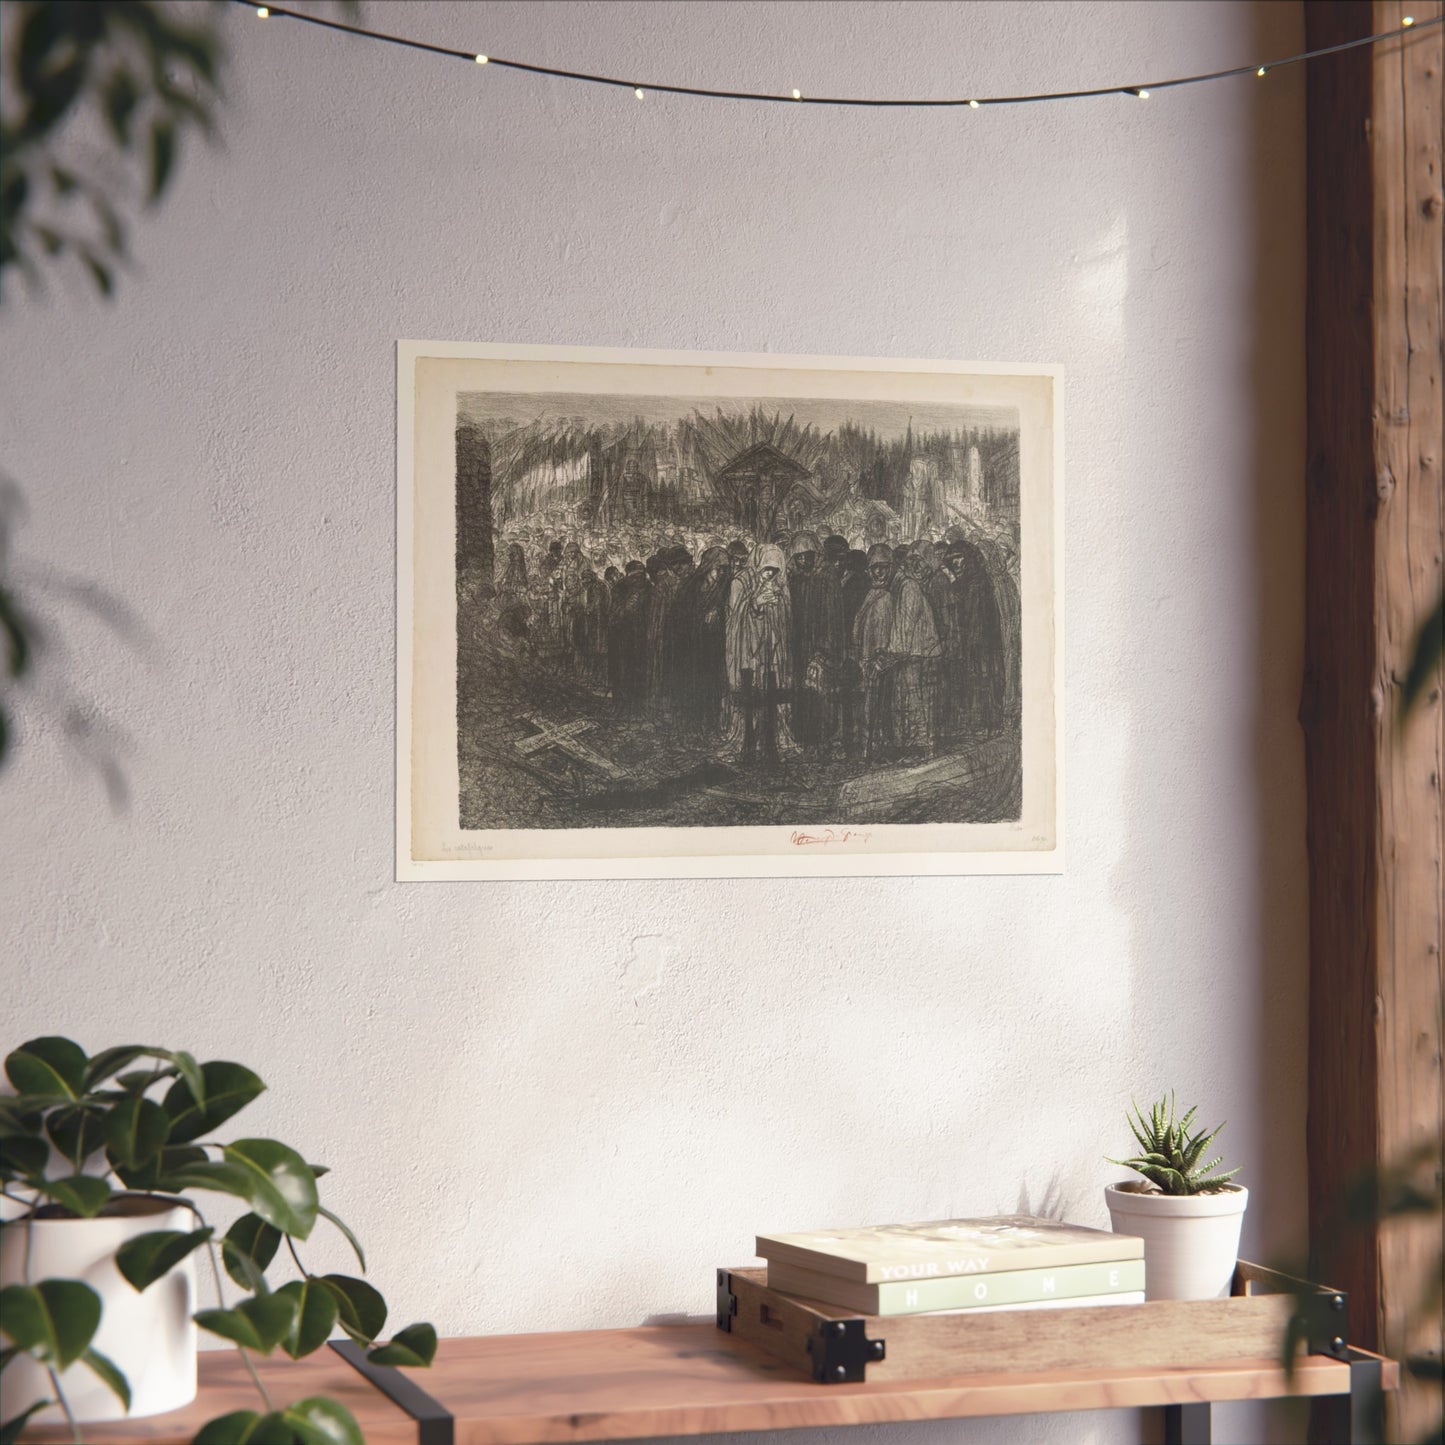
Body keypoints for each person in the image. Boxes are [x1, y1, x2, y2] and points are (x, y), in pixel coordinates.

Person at [787, 531, 845, 753]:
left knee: (822, 693)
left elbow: (832, 617)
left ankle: (824, 738)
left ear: (815, 554)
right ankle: (804, 736)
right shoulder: (793, 578)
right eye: (799, 557)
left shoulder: (827, 577)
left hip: (821, 645)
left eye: (807, 556)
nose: (803, 561)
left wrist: (823, 650)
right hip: (799, 645)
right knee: (801, 692)